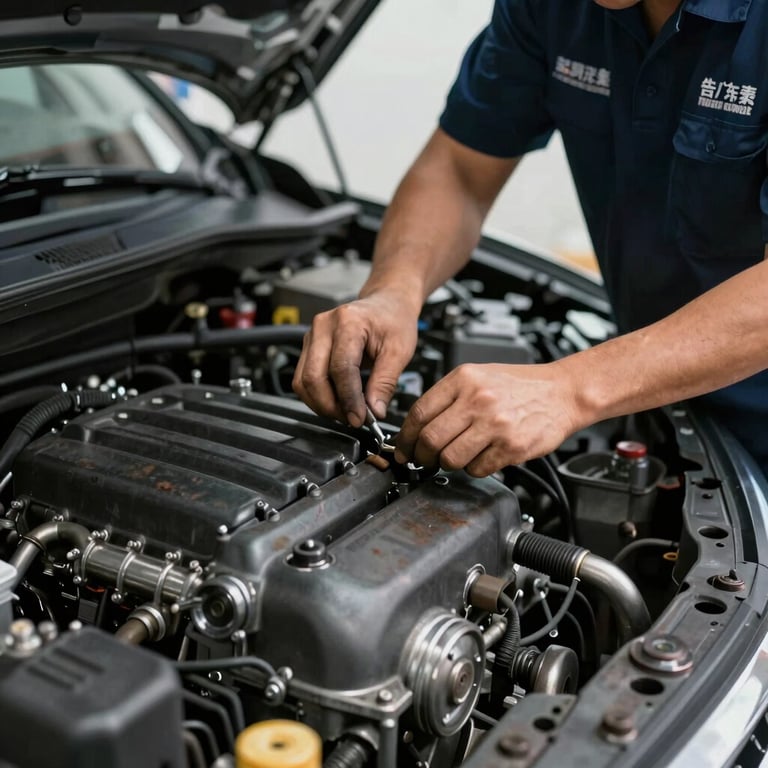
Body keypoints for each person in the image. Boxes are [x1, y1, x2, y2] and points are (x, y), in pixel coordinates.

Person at [293, 0, 768, 477]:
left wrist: (571, 387)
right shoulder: (553, 9)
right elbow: (461, 170)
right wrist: (393, 292)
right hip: (657, 404)